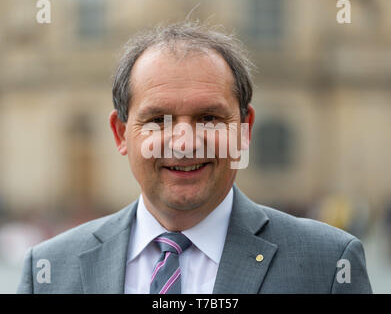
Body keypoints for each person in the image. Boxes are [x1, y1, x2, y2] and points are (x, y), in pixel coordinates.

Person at [17, 22, 372, 294]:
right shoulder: (47, 270)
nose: (184, 143)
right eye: (158, 120)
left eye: (208, 118)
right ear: (120, 133)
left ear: (244, 128)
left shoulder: (328, 264)